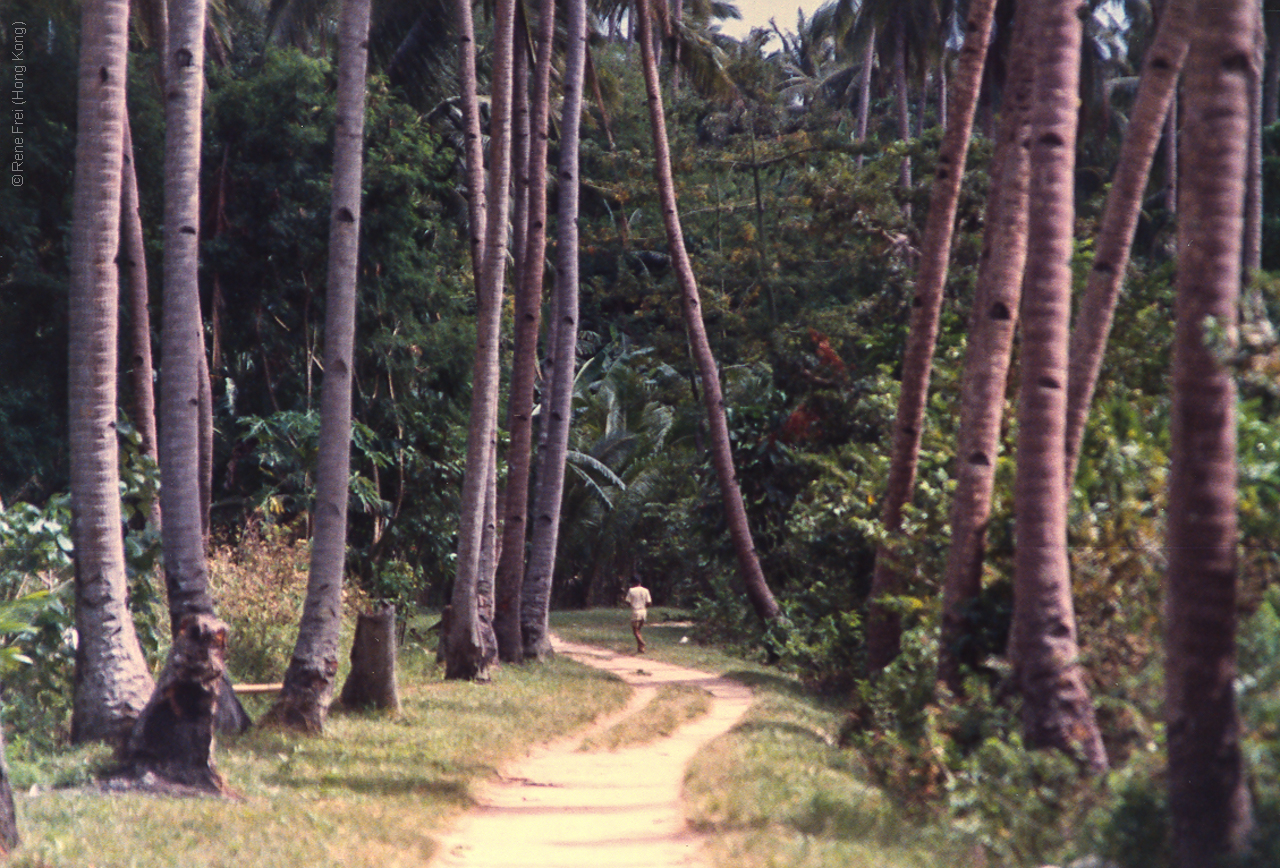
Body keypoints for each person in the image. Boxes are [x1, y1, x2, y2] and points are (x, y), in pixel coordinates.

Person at [623, 576, 653, 653]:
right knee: (638, 630)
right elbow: (649, 602)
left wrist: (632, 605)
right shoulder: (646, 590)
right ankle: (640, 648)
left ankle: (642, 642)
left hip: (635, 611)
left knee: (635, 631)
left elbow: (627, 601)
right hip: (643, 611)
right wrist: (644, 607)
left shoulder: (631, 590)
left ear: (633, 583)